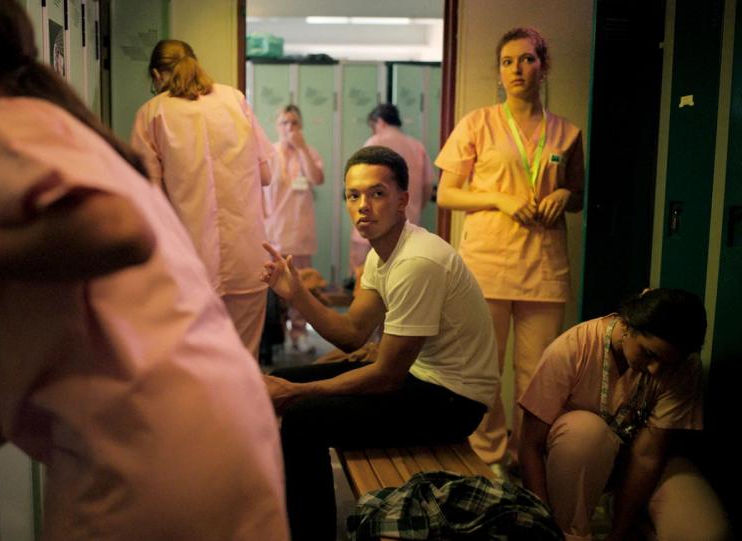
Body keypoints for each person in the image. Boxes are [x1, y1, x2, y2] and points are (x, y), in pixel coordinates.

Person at [0, 2, 288, 539]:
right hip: (226, 426)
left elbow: (122, 231)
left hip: (150, 448)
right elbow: (83, 359)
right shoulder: (76, 135)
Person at [261, 145, 499, 541]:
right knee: (289, 377)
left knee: (303, 417)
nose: (363, 206)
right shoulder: (381, 253)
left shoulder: (417, 261)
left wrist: (298, 392)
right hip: (419, 379)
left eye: (377, 193)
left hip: (453, 402)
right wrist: (297, 294)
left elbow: (387, 375)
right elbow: (352, 333)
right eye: (353, 195)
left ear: (403, 200)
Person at [435, 27, 585, 469]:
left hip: (543, 266)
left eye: (526, 59)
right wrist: (499, 199)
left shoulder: (567, 132)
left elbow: (578, 194)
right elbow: (446, 194)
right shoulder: (477, 123)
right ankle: (489, 455)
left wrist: (565, 195)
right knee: (483, 367)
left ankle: (527, 457)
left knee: (538, 375)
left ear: (543, 66)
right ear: (499, 73)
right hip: (488, 263)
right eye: (507, 62)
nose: (516, 69)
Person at [518, 288, 731, 541]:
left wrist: (618, 533)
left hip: (638, 467)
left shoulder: (684, 367)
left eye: (668, 363)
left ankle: (628, 517)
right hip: (576, 463)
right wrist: (543, 522)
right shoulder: (572, 348)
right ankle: (570, 532)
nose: (655, 370)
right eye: (649, 354)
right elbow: (529, 445)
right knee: (584, 432)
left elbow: (647, 456)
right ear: (628, 325)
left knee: (708, 534)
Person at [131, 39, 273, 358]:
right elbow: (266, 175)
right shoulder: (235, 100)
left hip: (189, 265)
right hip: (247, 259)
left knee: (197, 364)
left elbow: (150, 199)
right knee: (244, 362)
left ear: (156, 75)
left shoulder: (152, 113)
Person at [263, 104, 324, 354]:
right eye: (284, 123)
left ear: (301, 126)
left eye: (294, 123)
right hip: (273, 232)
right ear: (277, 127)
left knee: (302, 286)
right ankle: (275, 337)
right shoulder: (269, 153)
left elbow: (317, 178)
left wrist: (301, 148)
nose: (289, 128)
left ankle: (299, 334)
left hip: (300, 232)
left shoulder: (308, 152)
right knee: (273, 289)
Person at [349, 104, 435, 274]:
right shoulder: (417, 147)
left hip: (373, 223)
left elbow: (359, 181)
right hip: (406, 225)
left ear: (379, 122)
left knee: (364, 275)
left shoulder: (374, 142)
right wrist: (415, 208)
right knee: (402, 275)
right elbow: (427, 186)